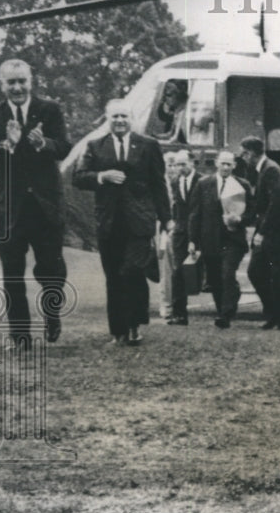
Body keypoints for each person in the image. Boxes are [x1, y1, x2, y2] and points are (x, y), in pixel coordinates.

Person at [0, 58, 71, 348]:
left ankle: (52, 313)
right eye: (11, 82)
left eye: (22, 81)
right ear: (2, 84)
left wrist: (43, 144)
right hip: (10, 209)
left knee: (51, 270)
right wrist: (7, 144)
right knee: (12, 274)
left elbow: (65, 147)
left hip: (45, 207)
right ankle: (20, 336)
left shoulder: (50, 109)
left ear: (31, 82)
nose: (17, 87)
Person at [73, 98, 172, 345]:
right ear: (108, 119)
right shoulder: (95, 146)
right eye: (115, 116)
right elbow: (79, 177)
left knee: (132, 271)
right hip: (109, 222)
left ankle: (135, 325)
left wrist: (166, 218)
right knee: (114, 277)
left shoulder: (148, 145)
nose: (119, 121)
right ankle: (118, 332)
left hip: (139, 222)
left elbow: (159, 185)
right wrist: (101, 176)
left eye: (124, 116)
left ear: (132, 119)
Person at [188, 150, 253, 329]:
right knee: (215, 279)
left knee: (227, 273)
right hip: (210, 240)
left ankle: (225, 315)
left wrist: (240, 219)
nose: (225, 167)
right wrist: (192, 240)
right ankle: (223, 308)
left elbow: (252, 212)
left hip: (233, 240)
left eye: (229, 164)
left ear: (234, 165)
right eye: (222, 163)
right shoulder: (203, 184)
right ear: (216, 163)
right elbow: (195, 214)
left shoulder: (243, 185)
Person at [240, 136, 280, 331]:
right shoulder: (265, 169)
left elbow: (277, 204)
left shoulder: (270, 170)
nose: (243, 157)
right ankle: (275, 315)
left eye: (244, 153)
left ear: (252, 153)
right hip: (275, 232)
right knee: (257, 272)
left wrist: (261, 232)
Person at [169, 148, 201, 325]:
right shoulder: (175, 181)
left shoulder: (203, 180)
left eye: (183, 164)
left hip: (200, 231)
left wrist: (195, 238)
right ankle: (179, 314)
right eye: (177, 164)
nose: (180, 168)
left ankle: (224, 312)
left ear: (192, 162)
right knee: (177, 272)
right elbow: (177, 206)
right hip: (180, 232)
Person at [158, 151, 179, 320]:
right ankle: (167, 305)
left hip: (181, 230)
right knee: (166, 268)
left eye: (175, 165)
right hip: (165, 229)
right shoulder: (160, 184)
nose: (172, 168)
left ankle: (178, 305)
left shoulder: (183, 183)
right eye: (169, 165)